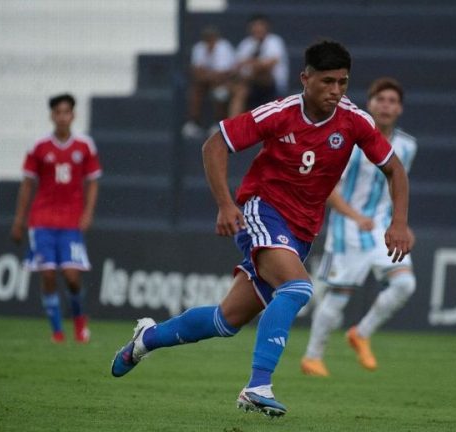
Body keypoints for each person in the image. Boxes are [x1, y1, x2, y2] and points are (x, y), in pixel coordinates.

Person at [110, 40, 413, 418]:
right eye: (327, 81)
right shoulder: (280, 113)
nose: (336, 91)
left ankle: (146, 339)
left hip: (301, 231)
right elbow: (215, 144)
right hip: (262, 209)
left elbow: (394, 169)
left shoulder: (355, 121)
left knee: (226, 321)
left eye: (343, 82)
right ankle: (257, 386)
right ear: (305, 78)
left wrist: (399, 222)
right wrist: (225, 203)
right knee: (299, 287)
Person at [301, 78, 418, 377]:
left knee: (405, 284)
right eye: (381, 100)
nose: (387, 106)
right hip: (347, 230)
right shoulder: (350, 143)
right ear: (370, 104)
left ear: (400, 108)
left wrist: (401, 224)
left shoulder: (407, 146)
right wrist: (355, 217)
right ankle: (312, 357)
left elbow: (395, 187)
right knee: (339, 296)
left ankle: (361, 333)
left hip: (380, 227)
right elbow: (328, 189)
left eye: (393, 101)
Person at [10, 93, 102, 344]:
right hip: (42, 220)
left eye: (66, 112)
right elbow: (27, 184)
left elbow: (93, 182)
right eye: (58, 112)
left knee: (72, 276)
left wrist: (88, 212)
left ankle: (80, 321)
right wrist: (19, 220)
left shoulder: (85, 146)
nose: (62, 117)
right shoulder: (39, 146)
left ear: (73, 115)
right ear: (52, 116)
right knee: (48, 275)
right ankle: (57, 332)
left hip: (71, 221)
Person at [227, 14, 289, 117]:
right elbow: (236, 67)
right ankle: (232, 127)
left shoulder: (275, 41)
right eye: (254, 26)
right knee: (238, 90)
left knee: (262, 72)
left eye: (260, 26)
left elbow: (269, 65)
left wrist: (249, 63)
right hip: (249, 84)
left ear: (266, 27)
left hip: (271, 85)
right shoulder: (246, 43)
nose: (257, 29)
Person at [182, 26, 236, 139]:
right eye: (207, 38)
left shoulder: (224, 47)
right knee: (196, 89)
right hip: (205, 82)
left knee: (218, 89)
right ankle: (194, 123)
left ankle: (218, 122)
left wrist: (207, 74)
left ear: (216, 38)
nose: (209, 41)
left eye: (212, 38)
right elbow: (195, 71)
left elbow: (223, 74)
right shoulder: (199, 47)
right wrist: (209, 75)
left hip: (224, 82)